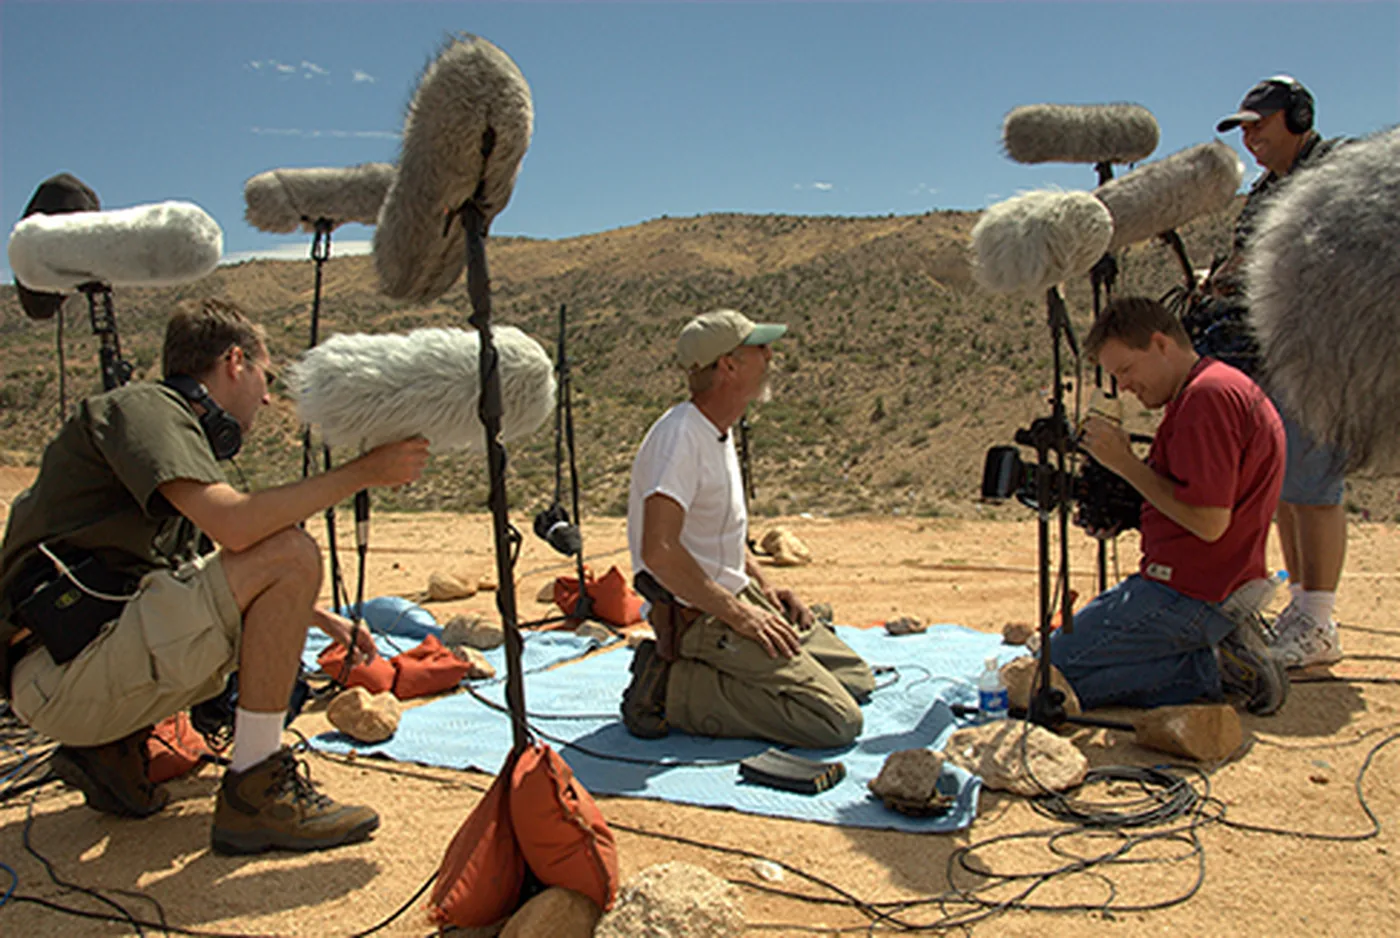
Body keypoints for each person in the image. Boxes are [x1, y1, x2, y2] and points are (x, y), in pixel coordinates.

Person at [0, 299, 429, 854]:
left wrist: (321, 619)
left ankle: (107, 751)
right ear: (234, 362)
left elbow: (215, 573)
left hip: (68, 667)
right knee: (291, 551)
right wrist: (364, 472)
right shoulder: (147, 408)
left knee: (270, 562)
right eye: (264, 376)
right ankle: (256, 793)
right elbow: (238, 526)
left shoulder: (172, 437)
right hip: (64, 674)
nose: (268, 396)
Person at [622, 309, 874, 749]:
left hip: (735, 595)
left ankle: (715, 674)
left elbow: (721, 537)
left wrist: (766, 590)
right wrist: (740, 615)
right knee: (835, 720)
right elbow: (660, 552)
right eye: (759, 348)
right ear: (728, 365)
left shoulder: (717, 431)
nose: (770, 355)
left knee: (856, 679)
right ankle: (670, 688)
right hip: (701, 614)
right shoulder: (681, 437)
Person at [1049, 297, 1290, 715]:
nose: (1123, 385)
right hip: (1202, 582)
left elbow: (1210, 521)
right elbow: (1192, 497)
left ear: (1161, 344)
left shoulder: (1206, 400)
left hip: (1190, 593)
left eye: (1125, 369)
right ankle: (1215, 653)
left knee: (1047, 679)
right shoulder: (1214, 389)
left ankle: (1211, 668)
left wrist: (1124, 464)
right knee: (1056, 668)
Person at [1210, 75, 1348, 669]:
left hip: (1324, 352)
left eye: (1259, 126)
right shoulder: (1266, 189)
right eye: (1243, 130)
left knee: (1315, 487)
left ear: (1297, 117)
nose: (1251, 140)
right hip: (1271, 351)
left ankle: (1320, 620)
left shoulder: (1340, 172)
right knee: (1287, 488)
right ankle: (1301, 609)